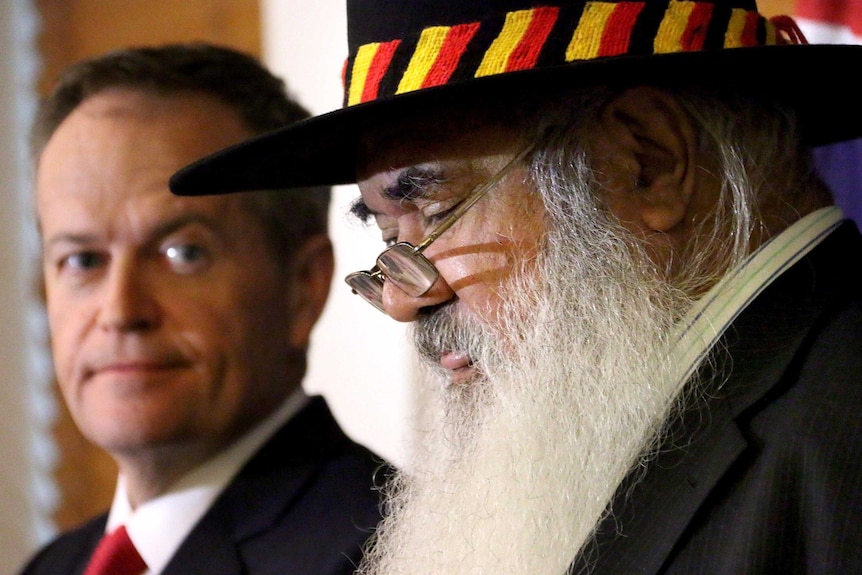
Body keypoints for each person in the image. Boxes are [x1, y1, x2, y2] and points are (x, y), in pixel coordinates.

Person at [170, 1, 862, 574]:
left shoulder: (842, 432)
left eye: (436, 212)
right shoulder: (632, 412)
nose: (406, 299)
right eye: (388, 238)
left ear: (647, 161)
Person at [20, 43, 387, 575]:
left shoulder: (394, 551)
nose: (120, 310)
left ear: (303, 285)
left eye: (183, 253)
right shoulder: (52, 566)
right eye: (82, 260)